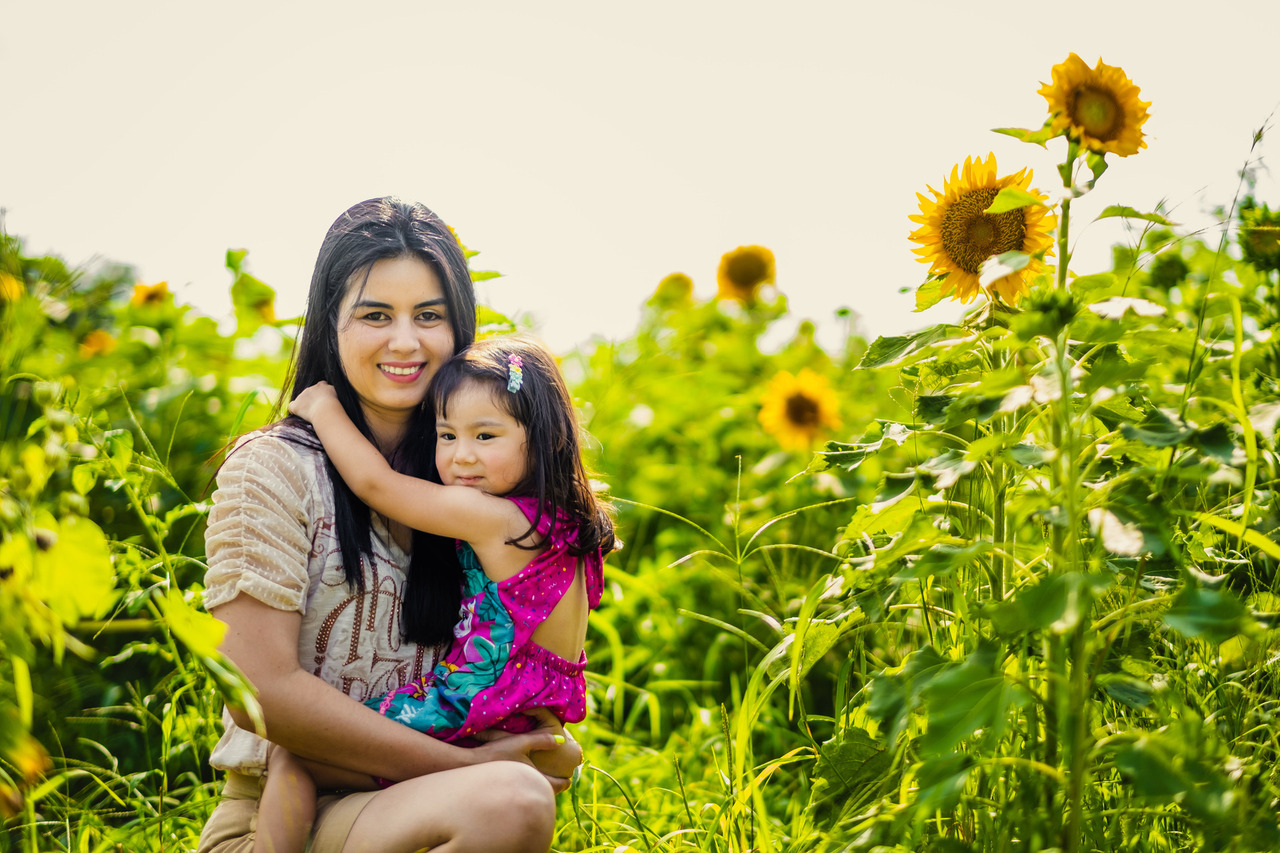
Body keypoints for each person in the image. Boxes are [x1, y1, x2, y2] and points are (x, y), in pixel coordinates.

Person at [197, 197, 582, 853]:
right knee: (509, 801)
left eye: (429, 316)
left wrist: (536, 742)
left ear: (460, 329)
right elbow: (258, 694)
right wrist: (465, 768)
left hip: (420, 804)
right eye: (376, 314)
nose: (405, 341)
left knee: (517, 794)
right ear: (329, 324)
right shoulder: (274, 470)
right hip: (283, 818)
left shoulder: (472, 486)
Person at [252, 334, 615, 853]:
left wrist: (323, 407)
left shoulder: (496, 518)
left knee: (293, 754)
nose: (462, 457)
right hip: (527, 712)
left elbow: (377, 485)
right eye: (447, 436)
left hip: (472, 706)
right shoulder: (567, 525)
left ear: (545, 438)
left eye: (485, 436)